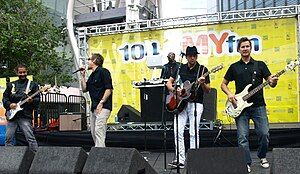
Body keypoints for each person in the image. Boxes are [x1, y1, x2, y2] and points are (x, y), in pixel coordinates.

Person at [220, 37, 278, 173]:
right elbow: (223, 84)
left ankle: (262, 156)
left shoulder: (260, 65)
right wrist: (229, 94)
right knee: (242, 137)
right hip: (240, 108)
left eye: (247, 46)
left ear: (251, 48)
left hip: (258, 106)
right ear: (239, 50)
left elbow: (271, 83)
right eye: (243, 47)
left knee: (264, 134)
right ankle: (246, 162)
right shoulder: (234, 67)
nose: (245, 49)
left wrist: (274, 81)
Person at [166, 46, 210, 168]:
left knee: (193, 132)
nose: (192, 58)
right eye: (190, 56)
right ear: (186, 57)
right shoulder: (180, 68)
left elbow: (208, 90)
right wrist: (176, 90)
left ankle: (194, 159)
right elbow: (168, 83)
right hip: (181, 104)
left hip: (196, 104)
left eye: (194, 56)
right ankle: (180, 160)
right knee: (177, 130)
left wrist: (202, 84)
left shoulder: (202, 70)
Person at [2, 64, 39, 152]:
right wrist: (9, 104)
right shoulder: (11, 85)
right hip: (12, 117)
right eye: (20, 72)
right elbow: (5, 98)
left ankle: (36, 156)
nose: (22, 74)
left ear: (27, 72)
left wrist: (31, 101)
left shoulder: (33, 85)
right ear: (17, 73)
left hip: (25, 115)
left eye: (24, 72)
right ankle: (9, 157)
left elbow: (37, 99)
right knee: (8, 138)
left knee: (30, 138)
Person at [81, 53, 113, 147]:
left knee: (99, 129)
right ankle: (98, 150)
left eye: (89, 59)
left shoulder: (104, 72)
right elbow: (84, 89)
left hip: (103, 106)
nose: (87, 61)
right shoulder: (92, 75)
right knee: (93, 131)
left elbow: (109, 89)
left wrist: (101, 102)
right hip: (94, 107)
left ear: (94, 61)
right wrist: (83, 76)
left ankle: (100, 154)